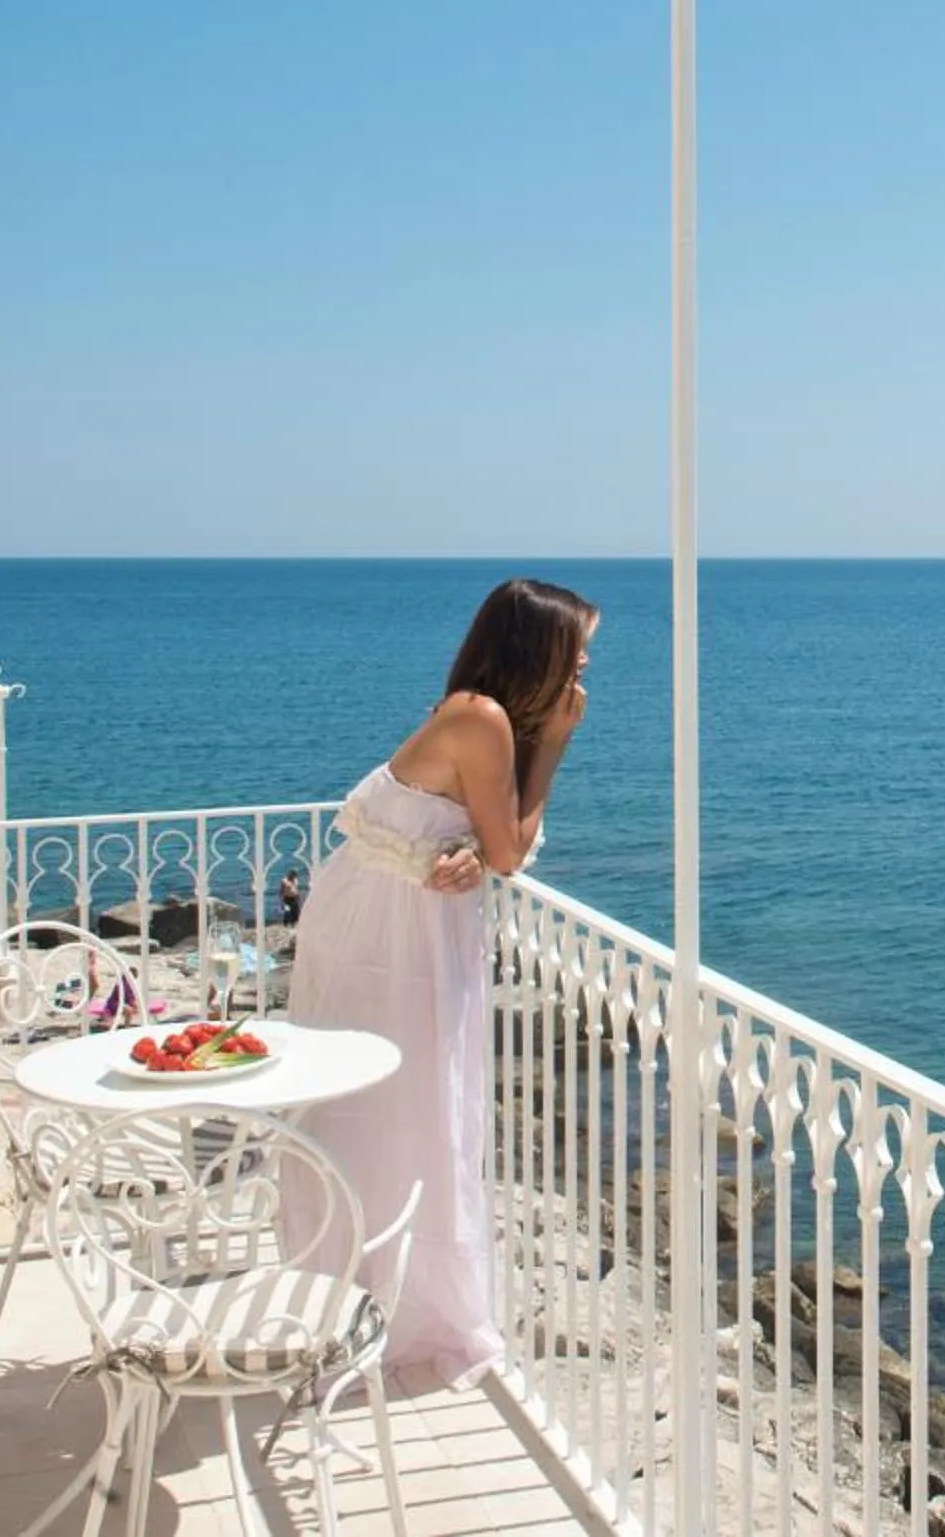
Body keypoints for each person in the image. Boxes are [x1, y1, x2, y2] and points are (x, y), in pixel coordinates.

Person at [281, 577, 596, 1392]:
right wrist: (557, 745)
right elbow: (512, 848)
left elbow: (490, 842)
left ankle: (383, 1295)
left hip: (406, 920)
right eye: (577, 648)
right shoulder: (480, 718)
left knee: (412, 1104)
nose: (586, 666)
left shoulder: (481, 718)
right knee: (388, 1102)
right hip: (386, 932)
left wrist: (471, 851)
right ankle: (358, 1296)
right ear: (540, 650)